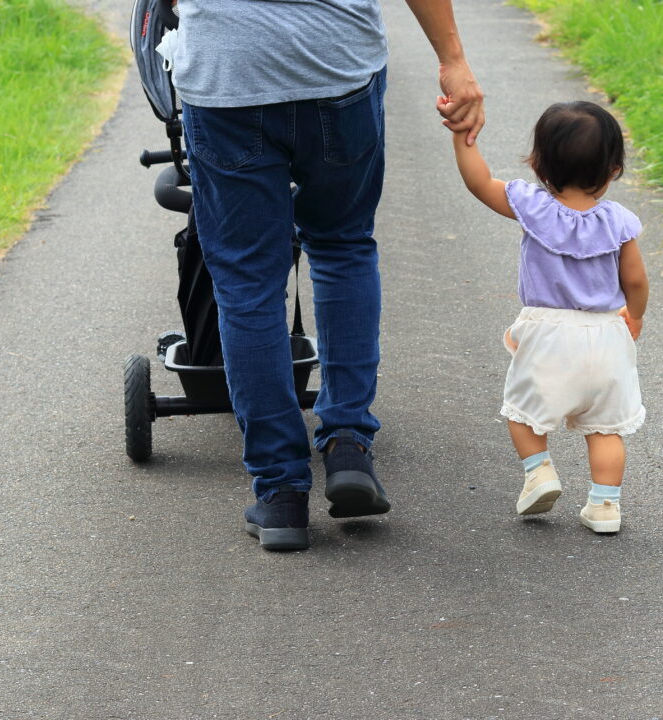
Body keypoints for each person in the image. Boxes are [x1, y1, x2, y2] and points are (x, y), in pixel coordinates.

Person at [170, 0, 484, 551]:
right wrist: (452, 58)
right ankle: (347, 444)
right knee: (342, 246)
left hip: (228, 71)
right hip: (335, 63)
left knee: (248, 284)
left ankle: (282, 495)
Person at [447, 101, 649, 533]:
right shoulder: (620, 223)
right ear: (614, 169)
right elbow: (635, 280)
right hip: (608, 334)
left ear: (538, 163)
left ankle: (539, 472)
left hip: (548, 333)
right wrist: (635, 317)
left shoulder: (532, 206)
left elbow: (478, 181)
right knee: (606, 428)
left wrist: (463, 137)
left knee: (523, 413)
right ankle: (605, 507)